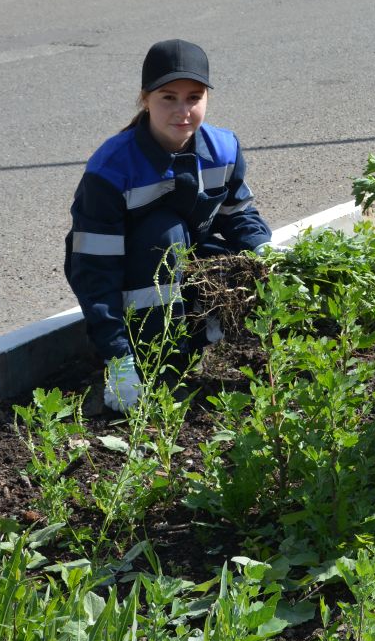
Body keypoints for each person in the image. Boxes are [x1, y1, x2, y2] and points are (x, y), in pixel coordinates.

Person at [65, 39, 271, 412]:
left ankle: (197, 343)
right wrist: (116, 356)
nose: (183, 111)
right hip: (131, 273)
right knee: (165, 233)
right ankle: (151, 360)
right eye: (168, 97)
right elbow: (95, 269)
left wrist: (264, 248)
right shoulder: (112, 169)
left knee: (242, 259)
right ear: (145, 99)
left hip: (183, 261)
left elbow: (238, 215)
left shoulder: (223, 148)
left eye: (194, 97)